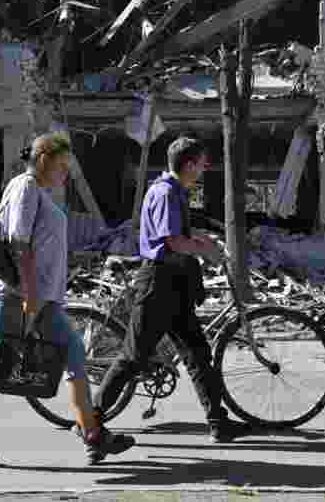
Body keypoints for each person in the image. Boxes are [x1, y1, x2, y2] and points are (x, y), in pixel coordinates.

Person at [0, 131, 135, 467]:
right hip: (20, 295)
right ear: (45, 159)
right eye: (63, 166)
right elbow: (19, 243)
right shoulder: (26, 187)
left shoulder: (36, 191)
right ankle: (91, 433)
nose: (65, 174)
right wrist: (31, 295)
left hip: (30, 295)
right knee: (44, 355)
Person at [93, 136, 250, 443]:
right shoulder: (166, 193)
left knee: (197, 353)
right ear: (189, 165)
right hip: (159, 283)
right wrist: (206, 252)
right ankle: (91, 419)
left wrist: (204, 241)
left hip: (175, 283)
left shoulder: (175, 191)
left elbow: (180, 236)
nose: (204, 169)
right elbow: (173, 242)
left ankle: (218, 422)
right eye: (202, 164)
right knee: (133, 356)